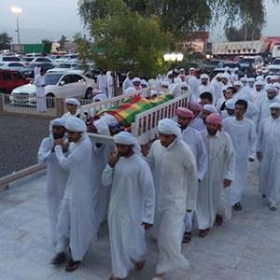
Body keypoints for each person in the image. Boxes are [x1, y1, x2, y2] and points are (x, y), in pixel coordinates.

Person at [146, 119, 198, 280]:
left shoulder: (184, 151)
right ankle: (170, 258)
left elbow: (193, 177)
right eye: (160, 135)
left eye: (166, 137)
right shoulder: (156, 146)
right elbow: (148, 164)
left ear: (174, 136)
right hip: (158, 198)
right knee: (161, 235)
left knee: (168, 235)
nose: (162, 139)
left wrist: (190, 203)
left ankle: (162, 270)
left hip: (176, 201)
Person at [102, 132, 155, 280]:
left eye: (122, 146)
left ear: (131, 146)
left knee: (133, 241)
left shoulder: (141, 164)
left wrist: (148, 216)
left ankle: (139, 256)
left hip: (134, 210)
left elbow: (149, 192)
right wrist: (110, 166)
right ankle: (119, 272)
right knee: (116, 241)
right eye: (117, 145)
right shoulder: (115, 161)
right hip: (115, 209)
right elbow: (105, 182)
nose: (119, 149)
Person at [52, 117, 98, 272]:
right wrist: (63, 146)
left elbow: (66, 164)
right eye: (68, 132)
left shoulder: (85, 145)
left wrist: (58, 149)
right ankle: (60, 250)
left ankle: (77, 256)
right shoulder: (75, 142)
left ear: (80, 132)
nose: (69, 136)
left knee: (78, 223)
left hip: (80, 189)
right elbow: (68, 146)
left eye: (72, 133)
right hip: (71, 186)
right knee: (62, 219)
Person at [196, 113, 235, 238]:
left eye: (214, 125)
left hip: (218, 173)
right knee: (202, 199)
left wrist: (229, 175)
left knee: (217, 196)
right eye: (209, 124)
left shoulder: (225, 137)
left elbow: (231, 156)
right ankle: (204, 224)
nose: (211, 127)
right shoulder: (200, 136)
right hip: (203, 174)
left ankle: (218, 213)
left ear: (218, 125)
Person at [176, 108, 208, 243]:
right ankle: (176, 229)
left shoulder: (196, 135)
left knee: (188, 203)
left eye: (184, 119)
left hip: (190, 175)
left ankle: (187, 230)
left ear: (190, 120)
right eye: (180, 118)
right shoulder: (172, 133)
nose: (181, 121)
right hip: (174, 175)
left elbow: (203, 156)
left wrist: (200, 174)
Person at [37, 118, 69, 249]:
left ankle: (67, 239)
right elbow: (40, 159)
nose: (56, 131)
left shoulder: (69, 142)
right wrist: (52, 149)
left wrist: (63, 148)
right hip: (52, 182)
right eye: (54, 128)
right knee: (53, 210)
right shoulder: (46, 141)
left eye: (59, 128)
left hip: (66, 182)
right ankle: (57, 240)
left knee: (65, 212)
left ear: (64, 130)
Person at [223, 100, 257, 210]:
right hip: (228, 155)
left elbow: (253, 140)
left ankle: (236, 200)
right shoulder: (227, 122)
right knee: (228, 176)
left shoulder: (250, 124)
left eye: (240, 109)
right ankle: (227, 200)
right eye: (236, 108)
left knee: (239, 179)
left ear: (245, 111)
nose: (237, 111)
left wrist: (252, 155)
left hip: (242, 156)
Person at [257, 102, 280, 210]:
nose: (274, 112)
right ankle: (265, 190)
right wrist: (258, 150)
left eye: (276, 109)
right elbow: (259, 137)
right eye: (272, 109)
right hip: (265, 152)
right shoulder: (264, 122)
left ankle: (273, 200)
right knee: (264, 173)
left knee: (275, 176)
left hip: (278, 154)